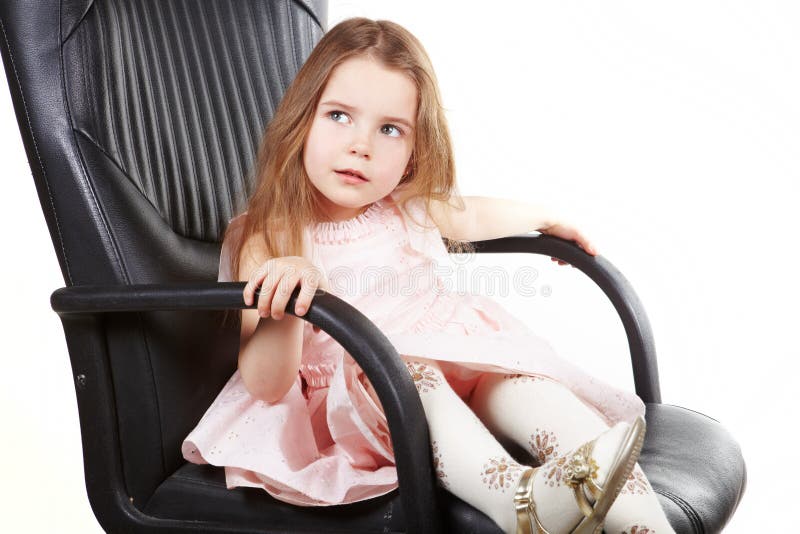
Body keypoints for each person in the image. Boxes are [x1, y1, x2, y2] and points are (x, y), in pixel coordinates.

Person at [182, 17, 675, 534]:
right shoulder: (271, 236)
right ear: (302, 119)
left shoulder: (404, 207)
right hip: (374, 398)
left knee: (520, 379)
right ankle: (515, 502)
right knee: (414, 375)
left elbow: (473, 214)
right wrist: (287, 298)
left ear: (415, 150)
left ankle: (637, 518)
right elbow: (265, 382)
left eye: (389, 129)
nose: (361, 146)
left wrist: (543, 218)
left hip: (459, 370)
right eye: (339, 117)